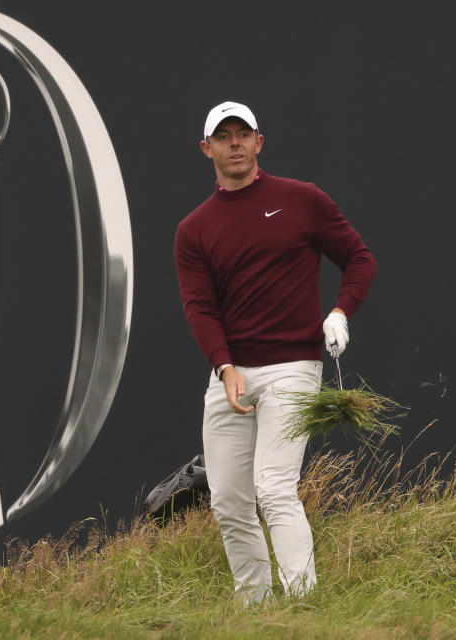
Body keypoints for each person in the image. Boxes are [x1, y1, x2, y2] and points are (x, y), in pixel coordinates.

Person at [174, 101, 376, 603]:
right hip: (231, 374)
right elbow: (200, 307)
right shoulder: (193, 229)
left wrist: (340, 313)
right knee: (228, 502)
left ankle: (304, 605)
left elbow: (359, 258)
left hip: (294, 367)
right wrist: (223, 366)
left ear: (260, 142)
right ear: (207, 149)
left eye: (244, 133)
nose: (235, 143)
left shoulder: (302, 199)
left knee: (273, 486)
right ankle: (258, 611)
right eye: (224, 137)